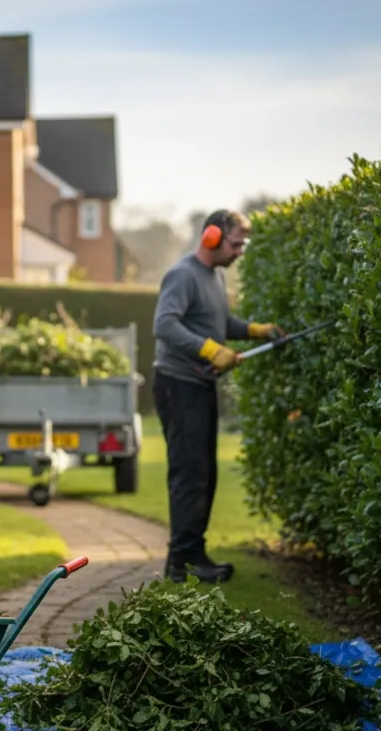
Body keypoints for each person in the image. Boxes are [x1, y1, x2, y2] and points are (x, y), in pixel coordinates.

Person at [151, 209, 284, 583]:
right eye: (236, 243)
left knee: (204, 474)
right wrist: (211, 351)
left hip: (200, 386)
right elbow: (164, 324)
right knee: (188, 474)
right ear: (211, 236)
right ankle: (178, 563)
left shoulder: (214, 276)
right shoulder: (182, 275)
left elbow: (219, 324)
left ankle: (194, 555)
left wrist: (256, 330)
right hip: (177, 386)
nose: (240, 251)